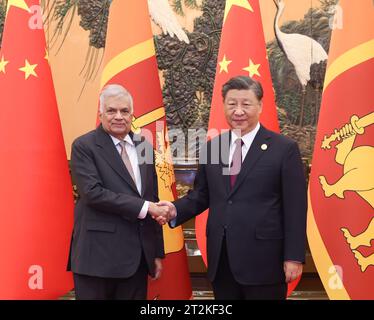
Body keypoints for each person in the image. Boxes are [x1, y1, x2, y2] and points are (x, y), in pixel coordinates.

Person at [158, 76, 307, 300]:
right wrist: (173, 209)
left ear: (260, 106)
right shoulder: (213, 147)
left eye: (246, 104)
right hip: (222, 260)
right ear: (224, 106)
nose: (238, 111)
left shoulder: (283, 149)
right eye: (232, 104)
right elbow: (202, 196)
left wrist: (294, 257)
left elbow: (295, 208)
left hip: (265, 262)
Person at [67, 84, 170, 300]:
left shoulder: (144, 147)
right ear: (101, 113)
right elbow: (93, 193)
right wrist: (146, 207)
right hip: (97, 259)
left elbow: (153, 199)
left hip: (137, 260)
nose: (118, 116)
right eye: (111, 111)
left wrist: (156, 252)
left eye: (124, 111)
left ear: (132, 115)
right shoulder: (84, 146)